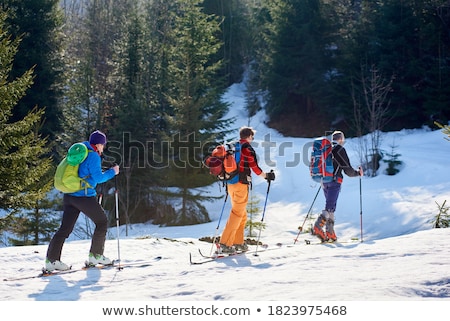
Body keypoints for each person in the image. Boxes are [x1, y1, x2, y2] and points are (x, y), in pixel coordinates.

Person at [45, 130, 120, 271]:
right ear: (98, 144)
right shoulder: (93, 156)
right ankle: (96, 256)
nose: (103, 147)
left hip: (69, 196)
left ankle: (52, 260)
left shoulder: (80, 151)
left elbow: (84, 172)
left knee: (65, 229)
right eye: (103, 145)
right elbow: (98, 178)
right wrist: (113, 172)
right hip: (83, 197)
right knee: (102, 221)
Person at [218, 126, 275, 254]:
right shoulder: (247, 148)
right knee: (237, 213)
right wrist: (266, 176)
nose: (252, 138)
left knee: (242, 214)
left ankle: (238, 242)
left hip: (230, 184)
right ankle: (225, 244)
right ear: (249, 136)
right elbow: (255, 168)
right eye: (252, 136)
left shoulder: (233, 146)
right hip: (240, 184)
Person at [313, 130, 363, 242]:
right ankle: (318, 227)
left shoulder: (326, 149)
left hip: (324, 181)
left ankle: (330, 233)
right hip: (334, 181)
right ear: (341, 139)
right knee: (330, 207)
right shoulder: (339, 149)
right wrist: (357, 173)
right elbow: (348, 170)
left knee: (331, 207)